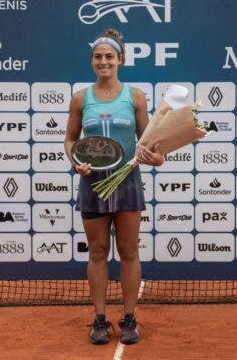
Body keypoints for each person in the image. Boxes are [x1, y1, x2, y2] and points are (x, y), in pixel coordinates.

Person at [65, 28, 163, 345]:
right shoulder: (80, 98)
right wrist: (74, 161)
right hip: (92, 184)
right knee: (97, 252)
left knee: (129, 251)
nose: (103, 61)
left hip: (127, 182)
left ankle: (130, 318)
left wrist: (154, 157)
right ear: (92, 61)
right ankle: (99, 320)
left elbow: (150, 142)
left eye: (109, 56)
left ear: (119, 59)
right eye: (98, 57)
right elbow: (70, 140)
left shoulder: (134, 96)